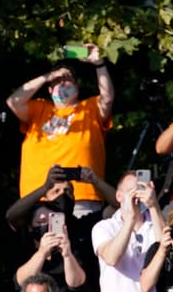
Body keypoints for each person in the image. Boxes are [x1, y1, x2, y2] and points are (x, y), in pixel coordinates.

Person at [7, 46, 115, 216]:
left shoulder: (89, 108)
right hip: (39, 198)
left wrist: (99, 64)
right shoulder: (39, 108)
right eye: (57, 81)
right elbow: (14, 101)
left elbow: (107, 99)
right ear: (49, 90)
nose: (62, 82)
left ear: (77, 86)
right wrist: (46, 77)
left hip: (82, 197)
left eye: (67, 79)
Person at [5, 164, 109, 292]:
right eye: (56, 192)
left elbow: (78, 283)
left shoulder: (80, 227)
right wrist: (42, 252)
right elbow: (12, 216)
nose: (63, 196)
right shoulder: (29, 240)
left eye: (68, 191)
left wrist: (95, 181)